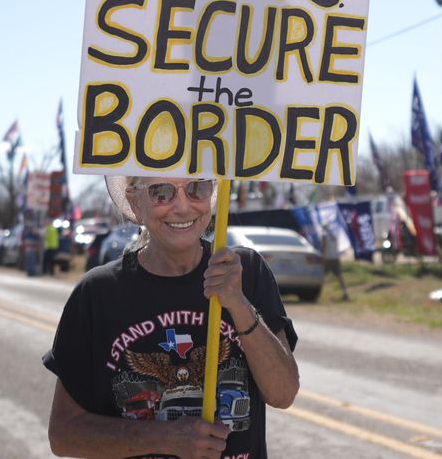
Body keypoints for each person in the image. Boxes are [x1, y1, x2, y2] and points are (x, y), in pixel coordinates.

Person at [44, 176, 298, 459]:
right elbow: (63, 434)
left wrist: (237, 302)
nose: (182, 206)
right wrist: (166, 438)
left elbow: (283, 394)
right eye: (161, 192)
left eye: (196, 188)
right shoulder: (98, 292)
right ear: (134, 203)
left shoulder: (246, 271)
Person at [320, 225, 350, 301]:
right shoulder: (334, 235)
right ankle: (345, 292)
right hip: (335, 257)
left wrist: (322, 256)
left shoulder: (324, 235)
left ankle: (317, 293)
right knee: (340, 276)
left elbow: (324, 246)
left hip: (328, 258)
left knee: (321, 276)